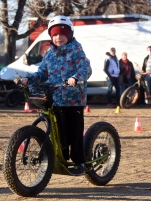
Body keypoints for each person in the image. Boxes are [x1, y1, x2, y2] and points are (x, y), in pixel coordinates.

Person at [19, 15, 92, 175]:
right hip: (55, 99)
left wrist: (76, 78)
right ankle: (60, 158)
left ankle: (79, 162)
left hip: (74, 99)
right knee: (59, 132)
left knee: (74, 132)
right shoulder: (49, 54)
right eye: (55, 35)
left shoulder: (76, 51)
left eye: (62, 34)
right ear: (51, 37)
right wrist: (28, 79)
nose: (59, 38)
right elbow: (42, 73)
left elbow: (86, 67)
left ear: (69, 35)